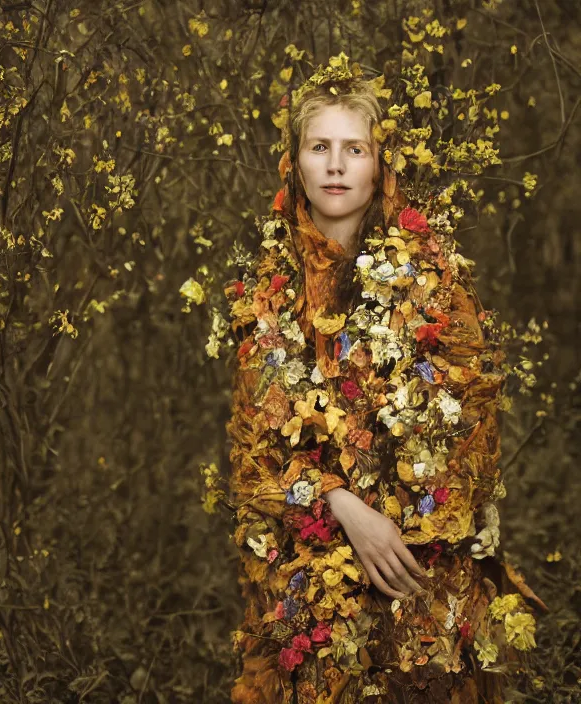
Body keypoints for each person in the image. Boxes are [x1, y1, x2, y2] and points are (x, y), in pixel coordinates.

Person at [224, 55, 541, 704]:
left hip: (418, 559)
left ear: (378, 164)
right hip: (309, 562)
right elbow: (256, 449)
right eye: (320, 147)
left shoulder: (433, 270)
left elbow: (472, 415)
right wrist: (343, 506)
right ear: (297, 162)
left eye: (353, 149)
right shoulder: (266, 288)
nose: (336, 165)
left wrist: (390, 519)